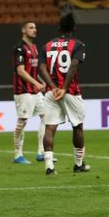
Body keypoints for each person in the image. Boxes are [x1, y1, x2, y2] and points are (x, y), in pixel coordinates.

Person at [38, 13, 90, 175]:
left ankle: (49, 166)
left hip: (51, 93)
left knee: (50, 128)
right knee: (77, 126)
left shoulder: (46, 46)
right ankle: (78, 164)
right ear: (73, 29)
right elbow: (74, 65)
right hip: (71, 91)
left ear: (58, 28)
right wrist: (64, 88)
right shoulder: (78, 44)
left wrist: (53, 87)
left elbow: (41, 68)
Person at [12, 21, 47, 164]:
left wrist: (41, 81)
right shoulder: (19, 48)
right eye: (31, 28)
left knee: (46, 116)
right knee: (22, 121)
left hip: (34, 90)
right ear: (23, 30)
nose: (34, 30)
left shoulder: (34, 48)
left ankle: (41, 152)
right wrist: (37, 83)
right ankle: (17, 155)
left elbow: (32, 70)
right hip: (23, 90)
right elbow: (20, 71)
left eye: (35, 27)